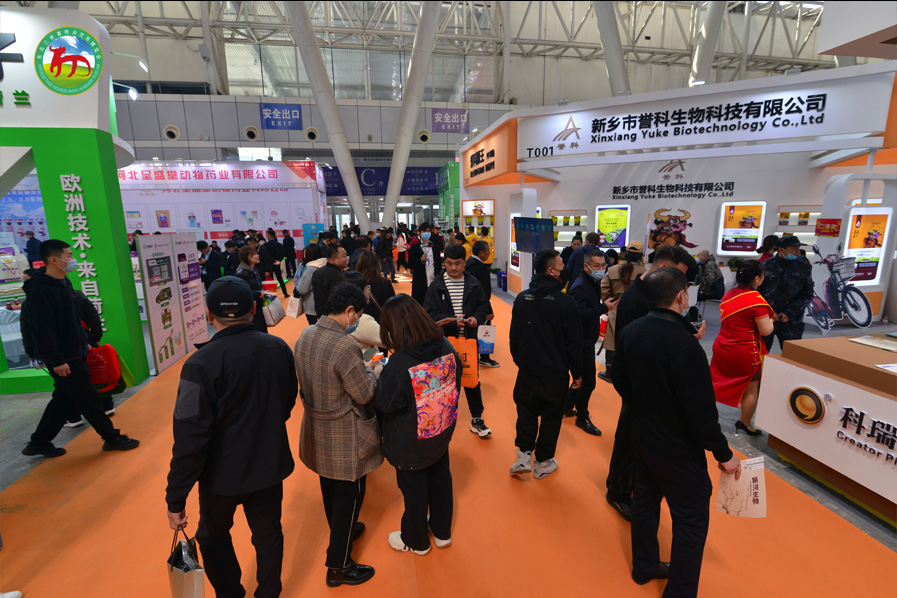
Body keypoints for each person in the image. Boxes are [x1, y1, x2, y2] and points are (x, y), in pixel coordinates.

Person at [612, 268, 741, 598]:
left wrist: (646, 407)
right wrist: (723, 453)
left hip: (643, 436)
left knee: (645, 502)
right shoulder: (685, 347)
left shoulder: (630, 331)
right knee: (690, 520)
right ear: (682, 296)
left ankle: (644, 566)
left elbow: (620, 380)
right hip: (678, 449)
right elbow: (701, 411)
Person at [165, 276, 297, 598]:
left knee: (213, 537)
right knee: (268, 533)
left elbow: (189, 437)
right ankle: (268, 593)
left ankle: (230, 593)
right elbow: (287, 400)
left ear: (209, 315)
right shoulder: (278, 348)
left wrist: (176, 496)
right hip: (269, 464)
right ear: (253, 309)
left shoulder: (199, 365)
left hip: (220, 475)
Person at [605, 245, 701, 522]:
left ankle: (629, 486)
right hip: (640, 387)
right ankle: (619, 491)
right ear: (662, 269)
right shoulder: (638, 299)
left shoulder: (647, 294)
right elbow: (638, 348)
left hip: (646, 387)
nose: (681, 286)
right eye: (678, 276)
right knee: (629, 440)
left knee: (638, 441)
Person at [295, 283, 382, 587]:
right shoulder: (345, 346)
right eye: (357, 315)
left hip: (316, 427)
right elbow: (364, 393)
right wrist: (370, 368)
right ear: (349, 311)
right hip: (345, 432)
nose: (357, 321)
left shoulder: (306, 334)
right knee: (350, 494)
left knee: (330, 488)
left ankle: (342, 532)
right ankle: (339, 564)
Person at [20, 240, 139, 458]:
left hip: (76, 350)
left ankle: (38, 442)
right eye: (69, 255)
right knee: (87, 397)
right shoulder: (39, 290)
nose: (72, 259)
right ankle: (111, 438)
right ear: (54, 260)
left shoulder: (63, 282)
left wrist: (84, 341)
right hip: (63, 357)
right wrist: (56, 360)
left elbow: (72, 319)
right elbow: (41, 328)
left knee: (64, 399)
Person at [374, 295, 461, 555]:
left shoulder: (400, 363)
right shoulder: (445, 345)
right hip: (441, 429)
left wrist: (377, 375)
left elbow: (385, 402)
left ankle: (416, 540)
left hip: (409, 440)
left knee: (414, 490)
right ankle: (442, 532)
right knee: (441, 479)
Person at [508, 249, 582, 479]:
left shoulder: (522, 298)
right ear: (551, 271)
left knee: (526, 412)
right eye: (561, 265)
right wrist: (577, 372)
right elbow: (574, 343)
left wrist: (522, 362)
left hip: (527, 371)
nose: (564, 268)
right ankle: (542, 463)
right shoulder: (565, 302)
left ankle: (523, 456)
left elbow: (514, 337)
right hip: (555, 374)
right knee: (551, 417)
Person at [424, 244, 493, 439]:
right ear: (444, 263)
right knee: (444, 382)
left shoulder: (473, 283)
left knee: (472, 380)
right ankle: (441, 419)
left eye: (458, 263)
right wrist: (453, 321)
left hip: (468, 341)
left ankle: (477, 419)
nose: (453, 268)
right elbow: (429, 313)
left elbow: (483, 305)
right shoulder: (436, 286)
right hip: (444, 343)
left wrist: (476, 318)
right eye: (449, 263)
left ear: (464, 263)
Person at [710, 260, 775, 436]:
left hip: (722, 345)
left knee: (717, 381)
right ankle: (745, 423)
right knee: (752, 389)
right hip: (744, 350)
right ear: (756, 279)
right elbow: (766, 330)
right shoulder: (755, 300)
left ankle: (705, 414)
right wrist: (771, 320)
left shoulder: (729, 294)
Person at [567, 249, 618, 436]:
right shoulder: (581, 286)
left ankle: (567, 405)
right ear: (586, 266)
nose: (601, 268)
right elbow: (578, 314)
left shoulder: (592, 282)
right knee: (588, 382)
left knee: (581, 378)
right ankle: (582, 417)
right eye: (596, 266)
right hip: (582, 341)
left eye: (603, 265)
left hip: (586, 338)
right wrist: (604, 308)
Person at [599, 241, 646, 382]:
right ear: (641, 256)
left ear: (624, 254)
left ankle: (610, 372)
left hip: (615, 308)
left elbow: (604, 291)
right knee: (635, 340)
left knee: (612, 340)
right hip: (638, 311)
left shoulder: (612, 270)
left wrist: (610, 303)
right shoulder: (645, 272)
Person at [758, 236, 814, 352]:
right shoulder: (765, 265)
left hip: (792, 320)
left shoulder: (803, 266)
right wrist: (767, 311)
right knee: (759, 353)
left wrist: (790, 312)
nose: (797, 252)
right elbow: (756, 292)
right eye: (794, 249)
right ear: (781, 250)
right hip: (767, 318)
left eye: (798, 249)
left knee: (792, 355)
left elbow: (807, 293)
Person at [466, 240, 499, 368]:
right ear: (481, 253)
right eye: (488, 251)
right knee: (486, 330)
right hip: (481, 305)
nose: (489, 253)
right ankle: (484, 358)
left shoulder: (470, 263)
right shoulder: (479, 268)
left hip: (472, 304)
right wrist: (488, 310)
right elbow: (483, 291)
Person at [234, 245, 269, 334]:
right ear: (247, 257)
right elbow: (241, 293)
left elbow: (256, 285)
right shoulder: (241, 273)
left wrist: (263, 292)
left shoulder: (254, 269)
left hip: (257, 304)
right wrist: (258, 293)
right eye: (255, 254)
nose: (258, 255)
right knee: (257, 331)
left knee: (262, 330)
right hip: (249, 308)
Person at [356, 250, 395, 322]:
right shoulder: (385, 283)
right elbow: (392, 304)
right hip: (380, 321)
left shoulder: (354, 282)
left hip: (359, 321)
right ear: (376, 264)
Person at [312, 243, 349, 318]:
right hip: (335, 317)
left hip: (320, 315)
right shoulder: (338, 276)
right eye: (344, 256)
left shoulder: (318, 271)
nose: (347, 259)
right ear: (334, 259)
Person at [293, 243, 326, 326]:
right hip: (326, 304)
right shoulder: (325, 265)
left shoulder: (310, 269)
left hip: (312, 305)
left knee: (315, 329)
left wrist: (298, 287)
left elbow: (302, 289)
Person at [262, 230, 289, 298]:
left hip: (269, 265)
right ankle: (285, 293)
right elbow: (283, 254)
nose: (267, 236)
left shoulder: (265, 245)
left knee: (271, 281)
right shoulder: (279, 245)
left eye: (267, 235)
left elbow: (266, 256)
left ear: (270, 235)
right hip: (277, 264)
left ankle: (272, 295)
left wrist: (272, 261)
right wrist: (278, 260)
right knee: (280, 279)